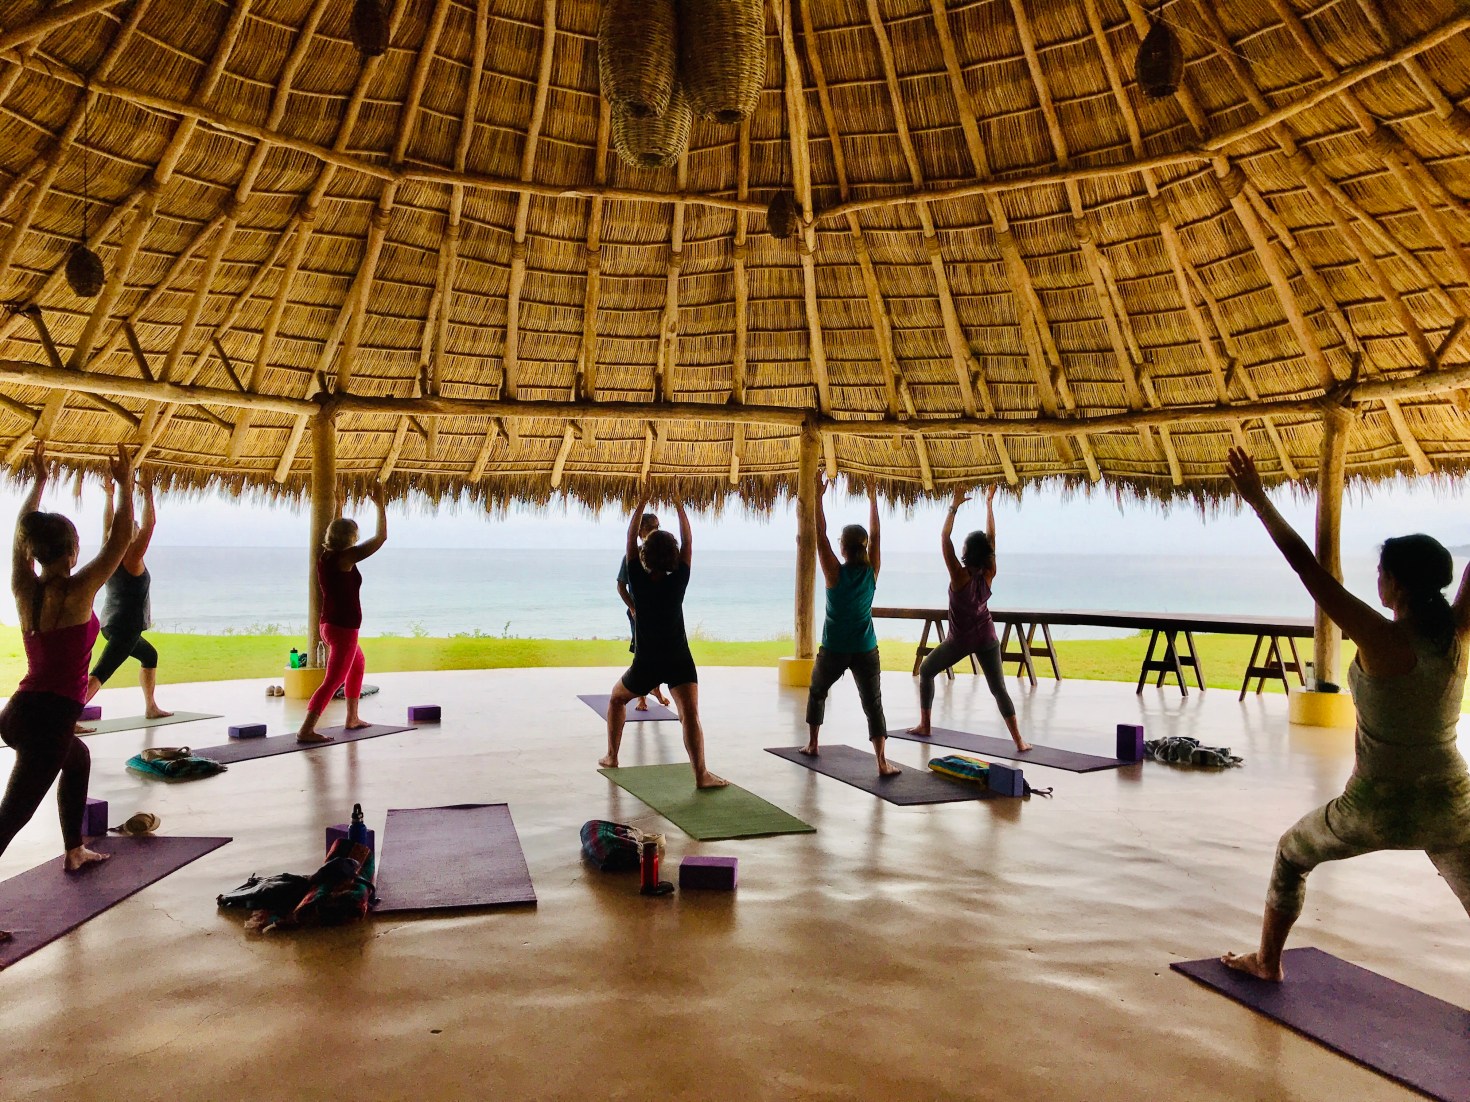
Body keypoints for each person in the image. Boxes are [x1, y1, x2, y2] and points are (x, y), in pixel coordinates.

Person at [1221, 447, 1470, 981]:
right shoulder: (1457, 632)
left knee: (1291, 855)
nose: (1376, 579)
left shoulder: (1379, 637)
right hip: (1452, 803)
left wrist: (1259, 500)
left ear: (1395, 584)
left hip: (1374, 806)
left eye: (1380, 572)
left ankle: (1267, 963)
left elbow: (1306, 568)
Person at [0, 444, 136, 945]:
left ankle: (74, 850)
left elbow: (21, 532)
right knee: (8, 822)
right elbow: (120, 539)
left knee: (77, 760)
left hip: (19, 712)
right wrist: (126, 484)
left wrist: (38, 482)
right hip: (47, 724)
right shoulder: (79, 590)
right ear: (73, 551)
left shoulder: (23, 586)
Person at [598, 492, 725, 789]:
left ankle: (612, 756)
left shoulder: (638, 580)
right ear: (674, 556)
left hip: (647, 663)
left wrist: (641, 500)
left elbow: (630, 540)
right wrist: (679, 504)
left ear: (644, 556)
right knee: (689, 715)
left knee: (616, 699)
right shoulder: (678, 580)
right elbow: (689, 542)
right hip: (679, 658)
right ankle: (701, 774)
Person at [907, 485, 1030, 752]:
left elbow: (944, 538)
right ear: (985, 553)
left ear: (966, 551)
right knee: (999, 689)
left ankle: (925, 725)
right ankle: (1019, 741)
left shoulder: (959, 575)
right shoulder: (989, 572)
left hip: (960, 640)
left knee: (926, 671)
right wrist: (988, 504)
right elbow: (992, 538)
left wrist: (954, 506)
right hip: (986, 636)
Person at [800, 478, 900, 776]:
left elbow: (820, 535)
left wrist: (818, 498)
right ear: (864, 546)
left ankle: (813, 744)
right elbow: (877, 536)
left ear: (842, 548)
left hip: (834, 649)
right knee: (873, 704)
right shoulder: (872, 571)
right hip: (866, 648)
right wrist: (873, 498)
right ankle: (881, 762)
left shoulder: (834, 572)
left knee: (817, 691)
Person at [296, 485, 387, 744]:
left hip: (330, 625)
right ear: (351, 539)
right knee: (333, 680)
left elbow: (335, 531)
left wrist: (339, 506)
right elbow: (381, 538)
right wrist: (380, 505)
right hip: (343, 628)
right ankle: (306, 729)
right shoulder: (346, 558)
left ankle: (352, 718)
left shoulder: (327, 556)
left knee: (358, 664)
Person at [84, 473, 170, 718]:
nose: (139, 530)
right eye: (135, 529)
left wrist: (110, 495)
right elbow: (150, 525)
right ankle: (65, 719)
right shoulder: (131, 557)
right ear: (130, 535)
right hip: (126, 627)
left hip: (110, 623)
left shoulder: (109, 552)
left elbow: (108, 525)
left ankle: (151, 706)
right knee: (100, 674)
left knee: (149, 655)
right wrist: (148, 493)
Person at [616, 512, 671, 713]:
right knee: (642, 654)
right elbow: (621, 587)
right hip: (639, 616)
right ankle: (641, 698)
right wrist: (633, 608)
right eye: (649, 528)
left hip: (659, 615)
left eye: (657, 527)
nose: (654, 531)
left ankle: (656, 689)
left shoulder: (663, 556)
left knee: (659, 653)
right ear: (640, 532)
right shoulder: (632, 557)